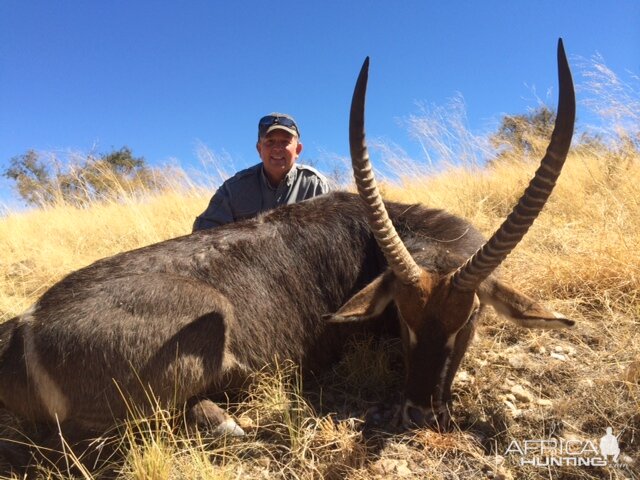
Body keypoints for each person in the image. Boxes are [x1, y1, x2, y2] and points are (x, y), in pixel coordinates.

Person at [193, 113, 331, 231]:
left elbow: (331, 236)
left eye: (285, 142)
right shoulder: (234, 189)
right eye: (270, 142)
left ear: (298, 150)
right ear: (259, 149)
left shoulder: (315, 185)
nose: (277, 148)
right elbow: (203, 234)